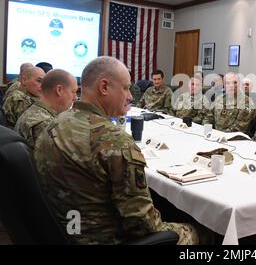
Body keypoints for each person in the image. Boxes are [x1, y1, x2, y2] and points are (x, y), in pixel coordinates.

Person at [33, 56, 209, 244]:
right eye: (125, 88)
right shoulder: (114, 140)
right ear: (104, 87)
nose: (131, 96)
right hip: (103, 238)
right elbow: (143, 225)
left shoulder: (53, 124)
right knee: (202, 231)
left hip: (64, 228)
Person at [15, 69, 78, 149]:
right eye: (73, 92)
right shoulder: (45, 123)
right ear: (59, 90)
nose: (75, 97)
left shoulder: (35, 111)